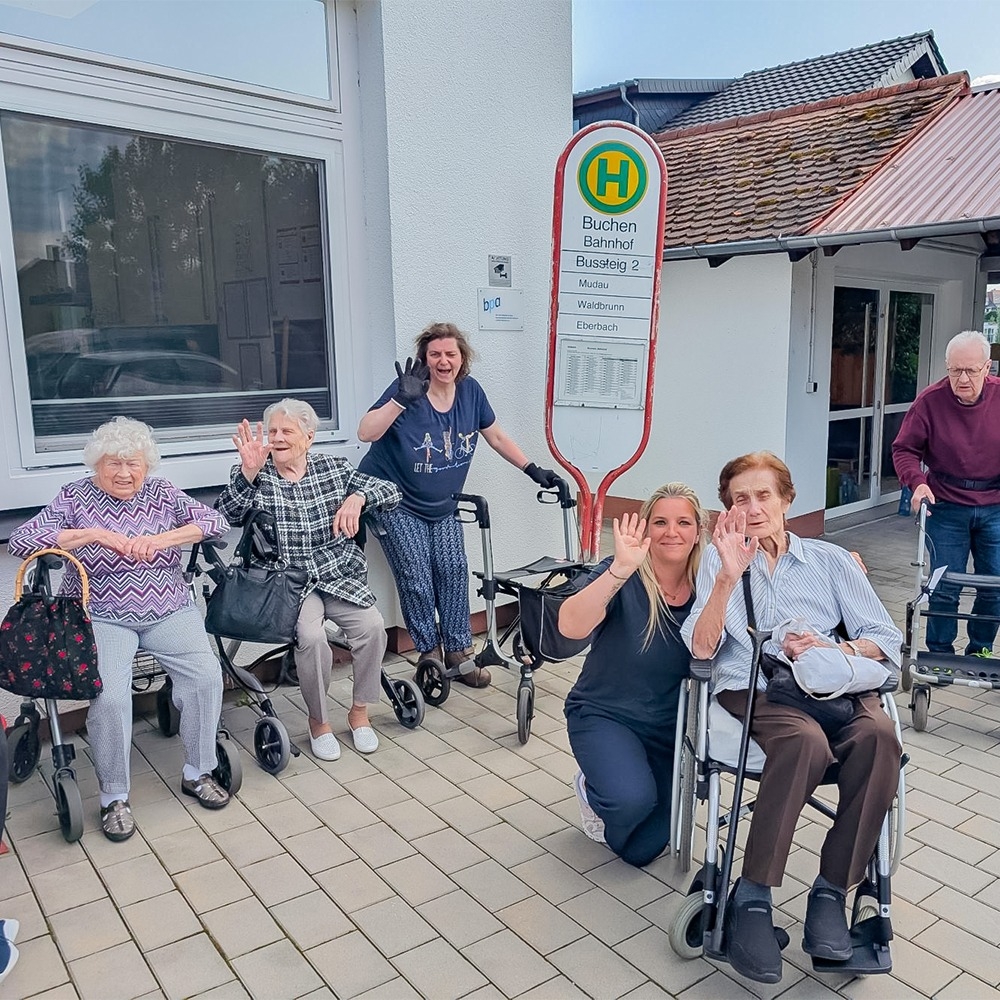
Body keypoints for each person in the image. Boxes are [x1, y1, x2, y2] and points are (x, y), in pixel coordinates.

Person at [682, 451, 902, 985]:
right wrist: (727, 578)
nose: (753, 508)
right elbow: (701, 649)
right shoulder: (718, 562)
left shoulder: (831, 561)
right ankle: (753, 894)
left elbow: (887, 637)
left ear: (786, 500)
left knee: (880, 737)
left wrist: (834, 647)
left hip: (831, 684)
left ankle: (831, 892)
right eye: (740, 499)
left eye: (764, 495)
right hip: (757, 687)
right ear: (728, 510)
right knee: (805, 742)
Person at [8, 417, 232, 842]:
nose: (125, 473)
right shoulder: (75, 495)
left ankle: (197, 771)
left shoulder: (162, 492)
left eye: (134, 463)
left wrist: (164, 540)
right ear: (98, 465)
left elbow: (215, 523)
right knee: (110, 697)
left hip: (168, 609)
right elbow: (22, 540)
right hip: (102, 614)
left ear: (147, 465)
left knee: (205, 677)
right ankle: (114, 796)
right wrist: (90, 535)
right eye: (114, 463)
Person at [357, 322, 558, 687]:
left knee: (452, 570)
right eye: (435, 354)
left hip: (442, 504)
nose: (443, 361)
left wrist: (532, 469)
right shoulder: (408, 390)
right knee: (416, 576)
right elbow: (366, 432)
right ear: (424, 359)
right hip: (395, 501)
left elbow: (496, 436)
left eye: (450, 354)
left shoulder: (471, 392)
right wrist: (400, 400)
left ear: (462, 358)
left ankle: (458, 652)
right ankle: (429, 654)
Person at [217, 399, 402, 762]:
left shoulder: (334, 468)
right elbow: (225, 515)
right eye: (272, 431)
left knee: (372, 627)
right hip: (288, 583)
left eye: (287, 431)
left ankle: (359, 711)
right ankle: (319, 721)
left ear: (309, 437)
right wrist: (248, 473)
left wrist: (358, 497)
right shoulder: (257, 474)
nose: (277, 438)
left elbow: (392, 492)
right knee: (312, 638)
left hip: (337, 574)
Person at [560, 483, 707, 866]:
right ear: (646, 529)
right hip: (605, 714)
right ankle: (594, 788)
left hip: (668, 729)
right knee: (630, 802)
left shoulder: (707, 586)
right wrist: (620, 570)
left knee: (642, 850)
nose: (672, 532)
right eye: (660, 522)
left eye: (683, 522)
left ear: (697, 533)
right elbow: (570, 625)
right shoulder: (621, 572)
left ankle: (617, 785)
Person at [892, 329, 1000, 656]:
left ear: (987, 367)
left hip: (995, 504)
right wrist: (917, 482)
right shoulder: (930, 401)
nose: (962, 379)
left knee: (994, 587)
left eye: (970, 370)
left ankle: (980, 650)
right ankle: (939, 654)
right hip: (945, 503)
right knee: (944, 586)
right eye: (955, 370)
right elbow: (904, 449)